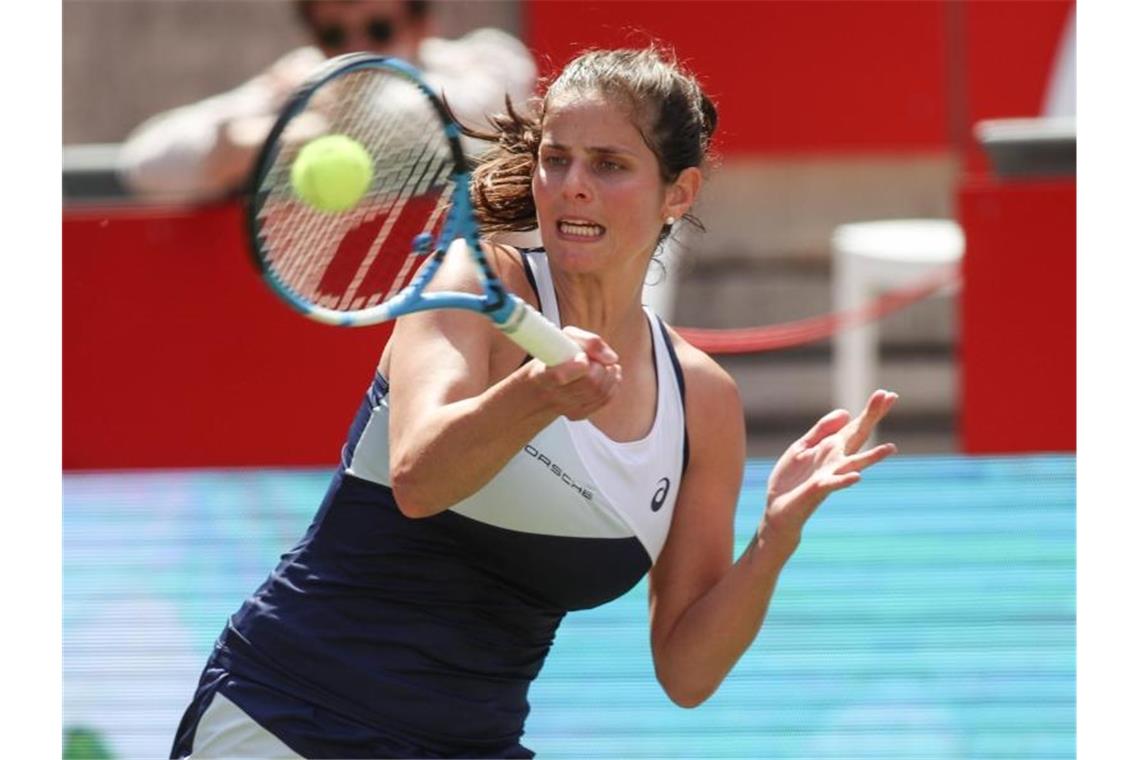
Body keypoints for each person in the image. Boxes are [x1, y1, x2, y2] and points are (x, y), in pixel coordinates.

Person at [170, 46, 899, 759]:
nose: (572, 185)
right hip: (291, 717)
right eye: (557, 159)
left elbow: (687, 670)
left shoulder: (702, 400)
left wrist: (774, 539)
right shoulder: (473, 277)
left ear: (678, 192)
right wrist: (538, 394)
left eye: (609, 165)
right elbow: (420, 480)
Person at [118, 0, 536, 202]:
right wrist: (267, 133)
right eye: (333, 36)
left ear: (422, 24)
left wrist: (317, 119)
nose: (355, 48)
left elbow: (482, 117)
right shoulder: (300, 78)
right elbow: (145, 161)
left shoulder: (487, 58)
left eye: (378, 28)